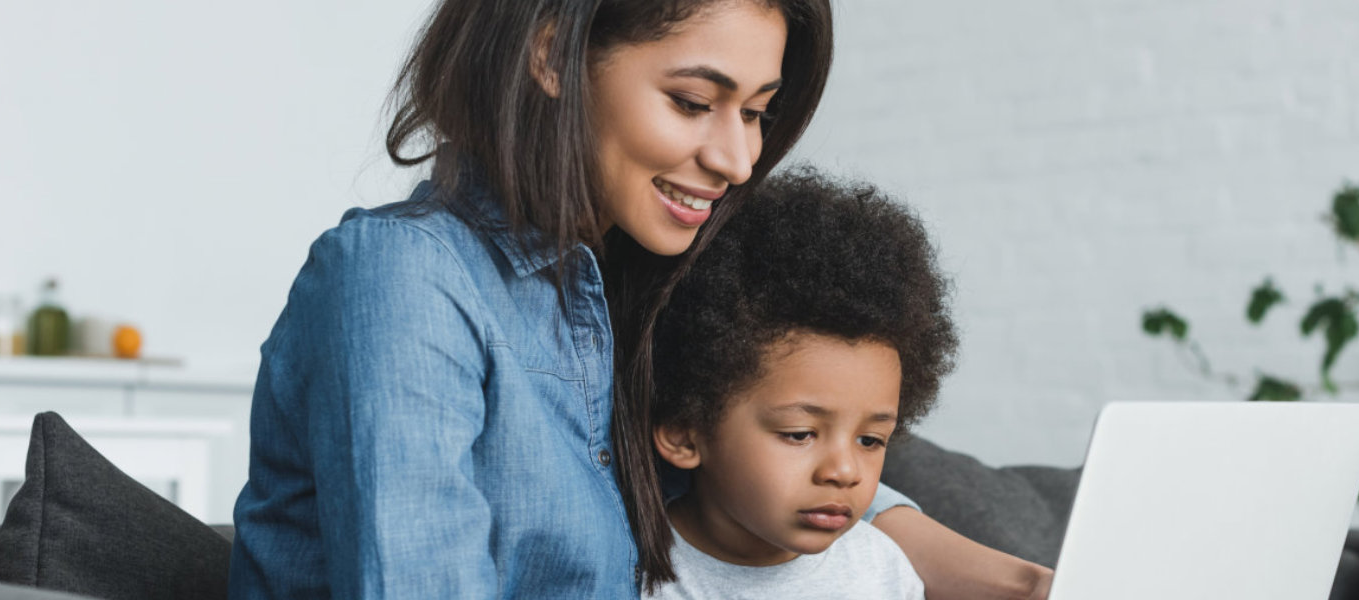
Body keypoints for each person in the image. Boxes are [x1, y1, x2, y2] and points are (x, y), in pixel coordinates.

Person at [228, 0, 1052, 598]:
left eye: (758, 112)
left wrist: (1025, 582)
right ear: (551, 55)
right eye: (694, 102)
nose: (737, 157)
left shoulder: (627, 287)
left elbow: (795, 474)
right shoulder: (402, 280)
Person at [643, 169, 951, 599]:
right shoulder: (631, 574)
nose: (844, 473)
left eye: (870, 440)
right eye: (800, 434)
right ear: (683, 432)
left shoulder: (882, 573)